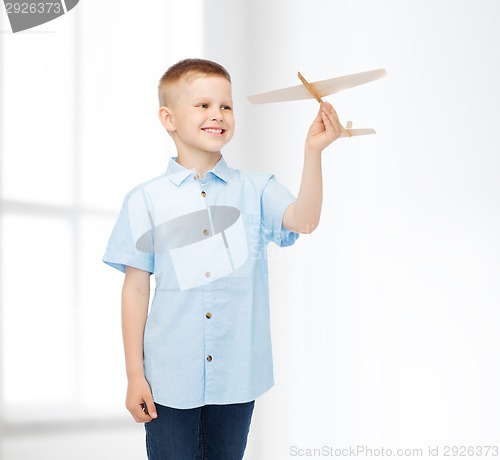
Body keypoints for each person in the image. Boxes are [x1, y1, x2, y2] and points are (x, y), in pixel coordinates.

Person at [103, 58, 342, 460]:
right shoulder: (145, 200)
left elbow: (304, 220)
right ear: (168, 117)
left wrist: (313, 152)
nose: (218, 115)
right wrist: (134, 374)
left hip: (236, 375)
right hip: (168, 375)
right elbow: (136, 287)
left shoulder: (258, 188)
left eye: (226, 106)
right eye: (203, 105)